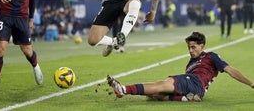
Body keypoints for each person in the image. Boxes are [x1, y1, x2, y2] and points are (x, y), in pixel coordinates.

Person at [107, 32, 254, 101]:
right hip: (196, 87)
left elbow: (231, 71)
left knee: (162, 84)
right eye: (189, 47)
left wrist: (251, 83)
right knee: (155, 95)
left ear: (202, 46)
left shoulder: (210, 56)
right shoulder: (190, 63)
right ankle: (185, 99)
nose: (190, 50)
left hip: (195, 81)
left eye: (193, 47)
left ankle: (124, 89)